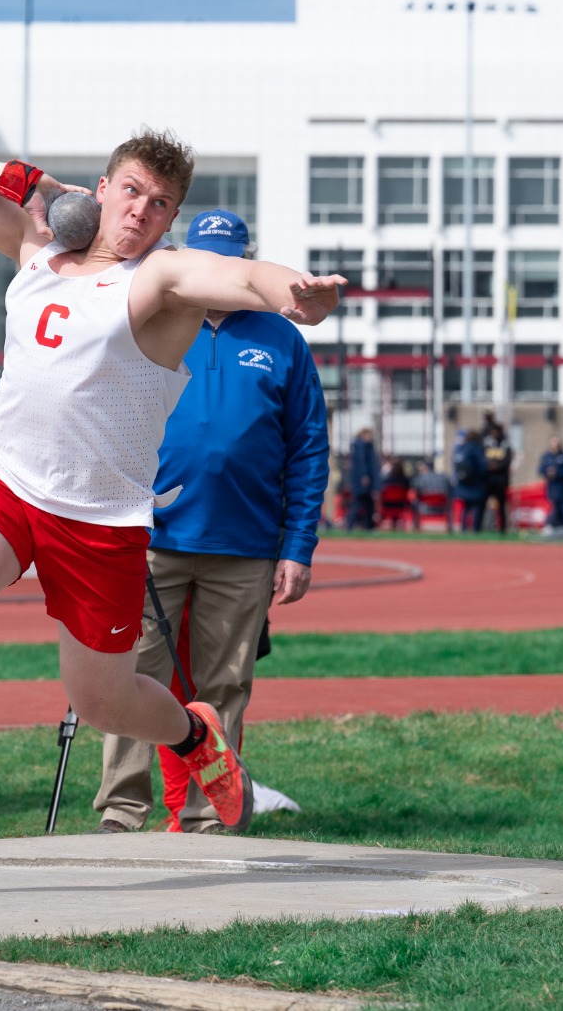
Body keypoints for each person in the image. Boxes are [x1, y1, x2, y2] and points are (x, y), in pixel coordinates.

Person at [0, 134, 342, 886]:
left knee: (101, 699)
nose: (142, 211)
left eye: (161, 203)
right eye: (131, 190)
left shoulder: (161, 278)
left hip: (98, 512)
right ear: (101, 188)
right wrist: (26, 180)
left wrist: (295, 292)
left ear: (171, 219)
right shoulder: (37, 244)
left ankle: (194, 733)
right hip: (0, 471)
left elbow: (241, 273)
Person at [92, 208, 325, 833]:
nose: (218, 270)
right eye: (208, 258)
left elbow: (308, 447)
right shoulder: (151, 321)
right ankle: (122, 809)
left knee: (225, 687)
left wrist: (297, 546)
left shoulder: (282, 339)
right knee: (131, 677)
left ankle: (205, 815)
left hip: (245, 545)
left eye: (230, 260)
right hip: (151, 536)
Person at [480, 420, 514, 533]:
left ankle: (503, 529)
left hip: (500, 480)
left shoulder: (505, 444)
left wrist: (497, 465)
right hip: (488, 480)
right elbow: (481, 458)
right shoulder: (486, 442)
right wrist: (488, 465)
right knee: (482, 503)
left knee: (501, 504)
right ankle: (480, 528)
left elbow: (507, 460)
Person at [451, 429, 486, 533]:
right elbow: (482, 466)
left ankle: (463, 528)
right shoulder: (477, 449)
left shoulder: (461, 448)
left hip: (463, 482)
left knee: (466, 507)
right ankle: (475, 529)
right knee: (476, 507)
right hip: (475, 482)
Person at [539, 437, 563, 529]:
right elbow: (540, 470)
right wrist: (548, 472)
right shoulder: (546, 457)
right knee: (553, 507)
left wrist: (557, 473)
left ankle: (562, 527)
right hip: (551, 487)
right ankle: (552, 526)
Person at [346, 427, 379, 529]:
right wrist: (365, 475)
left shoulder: (360, 446)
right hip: (363, 480)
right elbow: (362, 462)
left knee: (368, 503)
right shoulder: (362, 446)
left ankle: (368, 526)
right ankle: (350, 525)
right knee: (358, 503)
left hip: (362, 479)